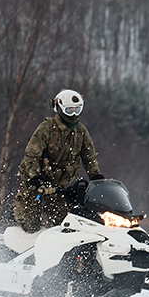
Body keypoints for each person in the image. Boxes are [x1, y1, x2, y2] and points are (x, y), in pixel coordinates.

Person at [12, 88, 104, 233]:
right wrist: (35, 177)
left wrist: (96, 177)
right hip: (35, 181)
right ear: (59, 109)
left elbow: (89, 157)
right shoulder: (47, 128)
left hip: (58, 185)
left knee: (61, 223)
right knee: (30, 224)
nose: (73, 114)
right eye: (69, 110)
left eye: (77, 110)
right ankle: (24, 242)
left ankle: (56, 250)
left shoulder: (81, 132)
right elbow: (31, 155)